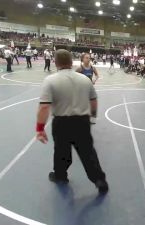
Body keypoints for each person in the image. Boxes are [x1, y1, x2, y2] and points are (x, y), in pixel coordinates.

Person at [35, 49, 108, 194]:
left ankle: (61, 176)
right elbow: (93, 101)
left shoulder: (50, 80)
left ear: (55, 63)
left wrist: (40, 128)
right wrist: (93, 117)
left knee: (62, 151)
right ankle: (99, 180)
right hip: (82, 122)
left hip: (62, 123)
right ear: (71, 62)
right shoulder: (85, 79)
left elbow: (44, 107)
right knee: (88, 152)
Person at [75, 53, 100, 124]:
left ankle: (91, 117)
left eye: (89, 58)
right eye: (86, 58)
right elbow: (74, 77)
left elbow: (97, 75)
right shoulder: (80, 68)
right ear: (82, 59)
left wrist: (94, 80)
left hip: (90, 89)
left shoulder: (92, 68)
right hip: (81, 89)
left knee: (91, 103)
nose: (88, 59)